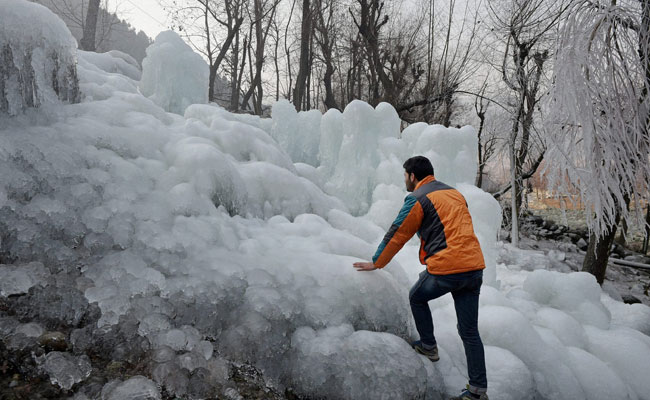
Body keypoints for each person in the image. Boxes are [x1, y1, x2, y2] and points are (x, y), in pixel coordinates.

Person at [352, 156, 488, 400]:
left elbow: (398, 233)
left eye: (405, 175)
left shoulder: (417, 198)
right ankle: (477, 391)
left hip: (448, 268)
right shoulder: (454, 193)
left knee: (416, 296)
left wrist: (377, 262)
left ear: (413, 176)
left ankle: (428, 346)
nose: (405, 180)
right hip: (474, 267)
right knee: (469, 331)